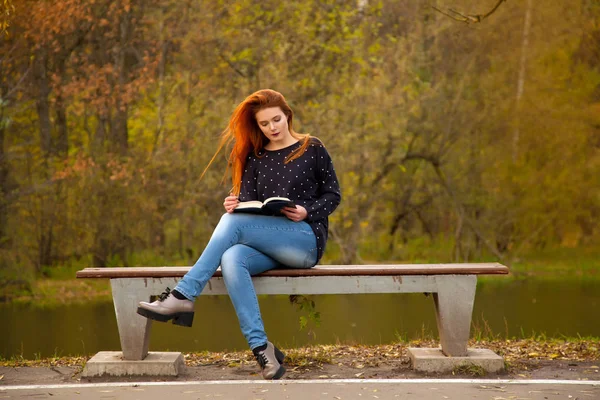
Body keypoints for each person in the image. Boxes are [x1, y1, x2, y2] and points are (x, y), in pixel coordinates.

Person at [136, 89, 341, 380]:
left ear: (288, 116)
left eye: (277, 119)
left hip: (304, 240)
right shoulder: (256, 157)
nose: (273, 127)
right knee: (232, 257)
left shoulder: (312, 147)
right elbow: (248, 204)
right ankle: (261, 348)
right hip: (267, 245)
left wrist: (307, 211)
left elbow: (333, 195)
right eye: (264, 124)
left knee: (233, 226)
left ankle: (183, 294)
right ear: (257, 126)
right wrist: (234, 204)